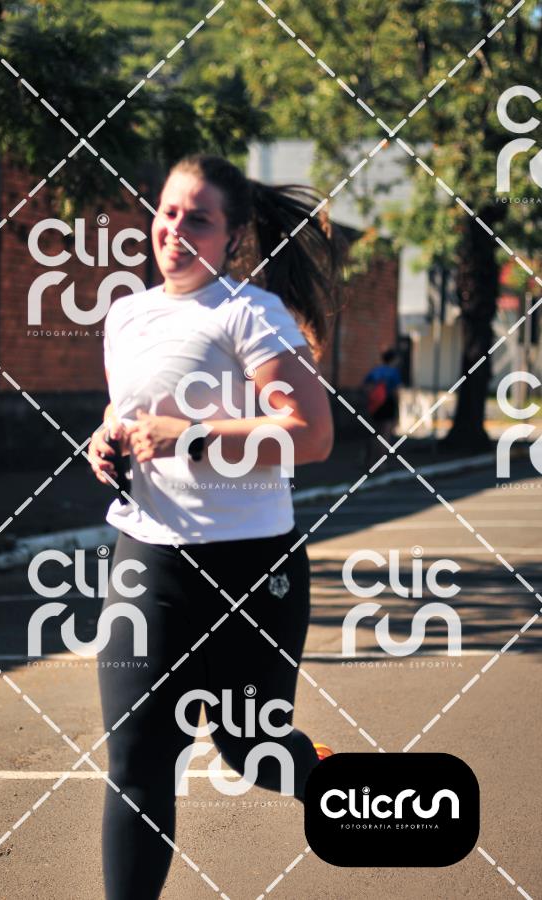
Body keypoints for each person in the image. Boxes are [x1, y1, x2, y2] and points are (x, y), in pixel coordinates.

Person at [88, 154, 339, 900]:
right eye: (167, 212)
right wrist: (105, 438)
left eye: (197, 219)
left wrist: (192, 437)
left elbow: (310, 435)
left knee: (252, 750)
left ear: (231, 237)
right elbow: (130, 407)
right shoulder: (127, 315)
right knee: (138, 761)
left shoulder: (248, 313)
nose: (174, 229)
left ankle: (333, 779)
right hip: (148, 560)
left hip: (249, 568)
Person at [363, 348, 402, 465]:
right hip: (388, 403)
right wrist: (398, 408)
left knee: (374, 433)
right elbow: (396, 392)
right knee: (385, 433)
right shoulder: (394, 372)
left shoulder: (375, 370)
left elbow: (366, 387)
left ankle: (370, 460)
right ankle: (381, 463)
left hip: (375, 404)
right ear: (394, 359)